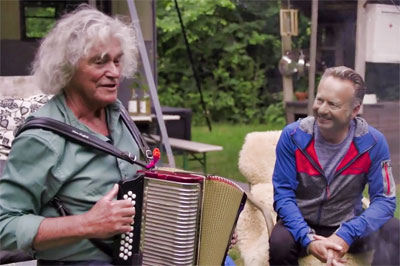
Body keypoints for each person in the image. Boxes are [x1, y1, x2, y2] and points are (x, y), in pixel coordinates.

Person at [0, 5, 140, 265]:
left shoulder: (119, 117)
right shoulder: (42, 137)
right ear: (67, 68)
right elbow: (3, 225)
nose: (115, 72)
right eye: (100, 62)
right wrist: (87, 224)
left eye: (117, 60)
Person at [269, 66, 399, 266]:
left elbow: (385, 200)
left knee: (394, 230)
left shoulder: (373, 142)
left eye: (333, 104)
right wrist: (308, 239)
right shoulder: (293, 137)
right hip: (302, 223)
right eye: (320, 100)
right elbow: (283, 195)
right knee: (279, 243)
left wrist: (347, 233)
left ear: (355, 110)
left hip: (349, 224)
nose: (321, 109)